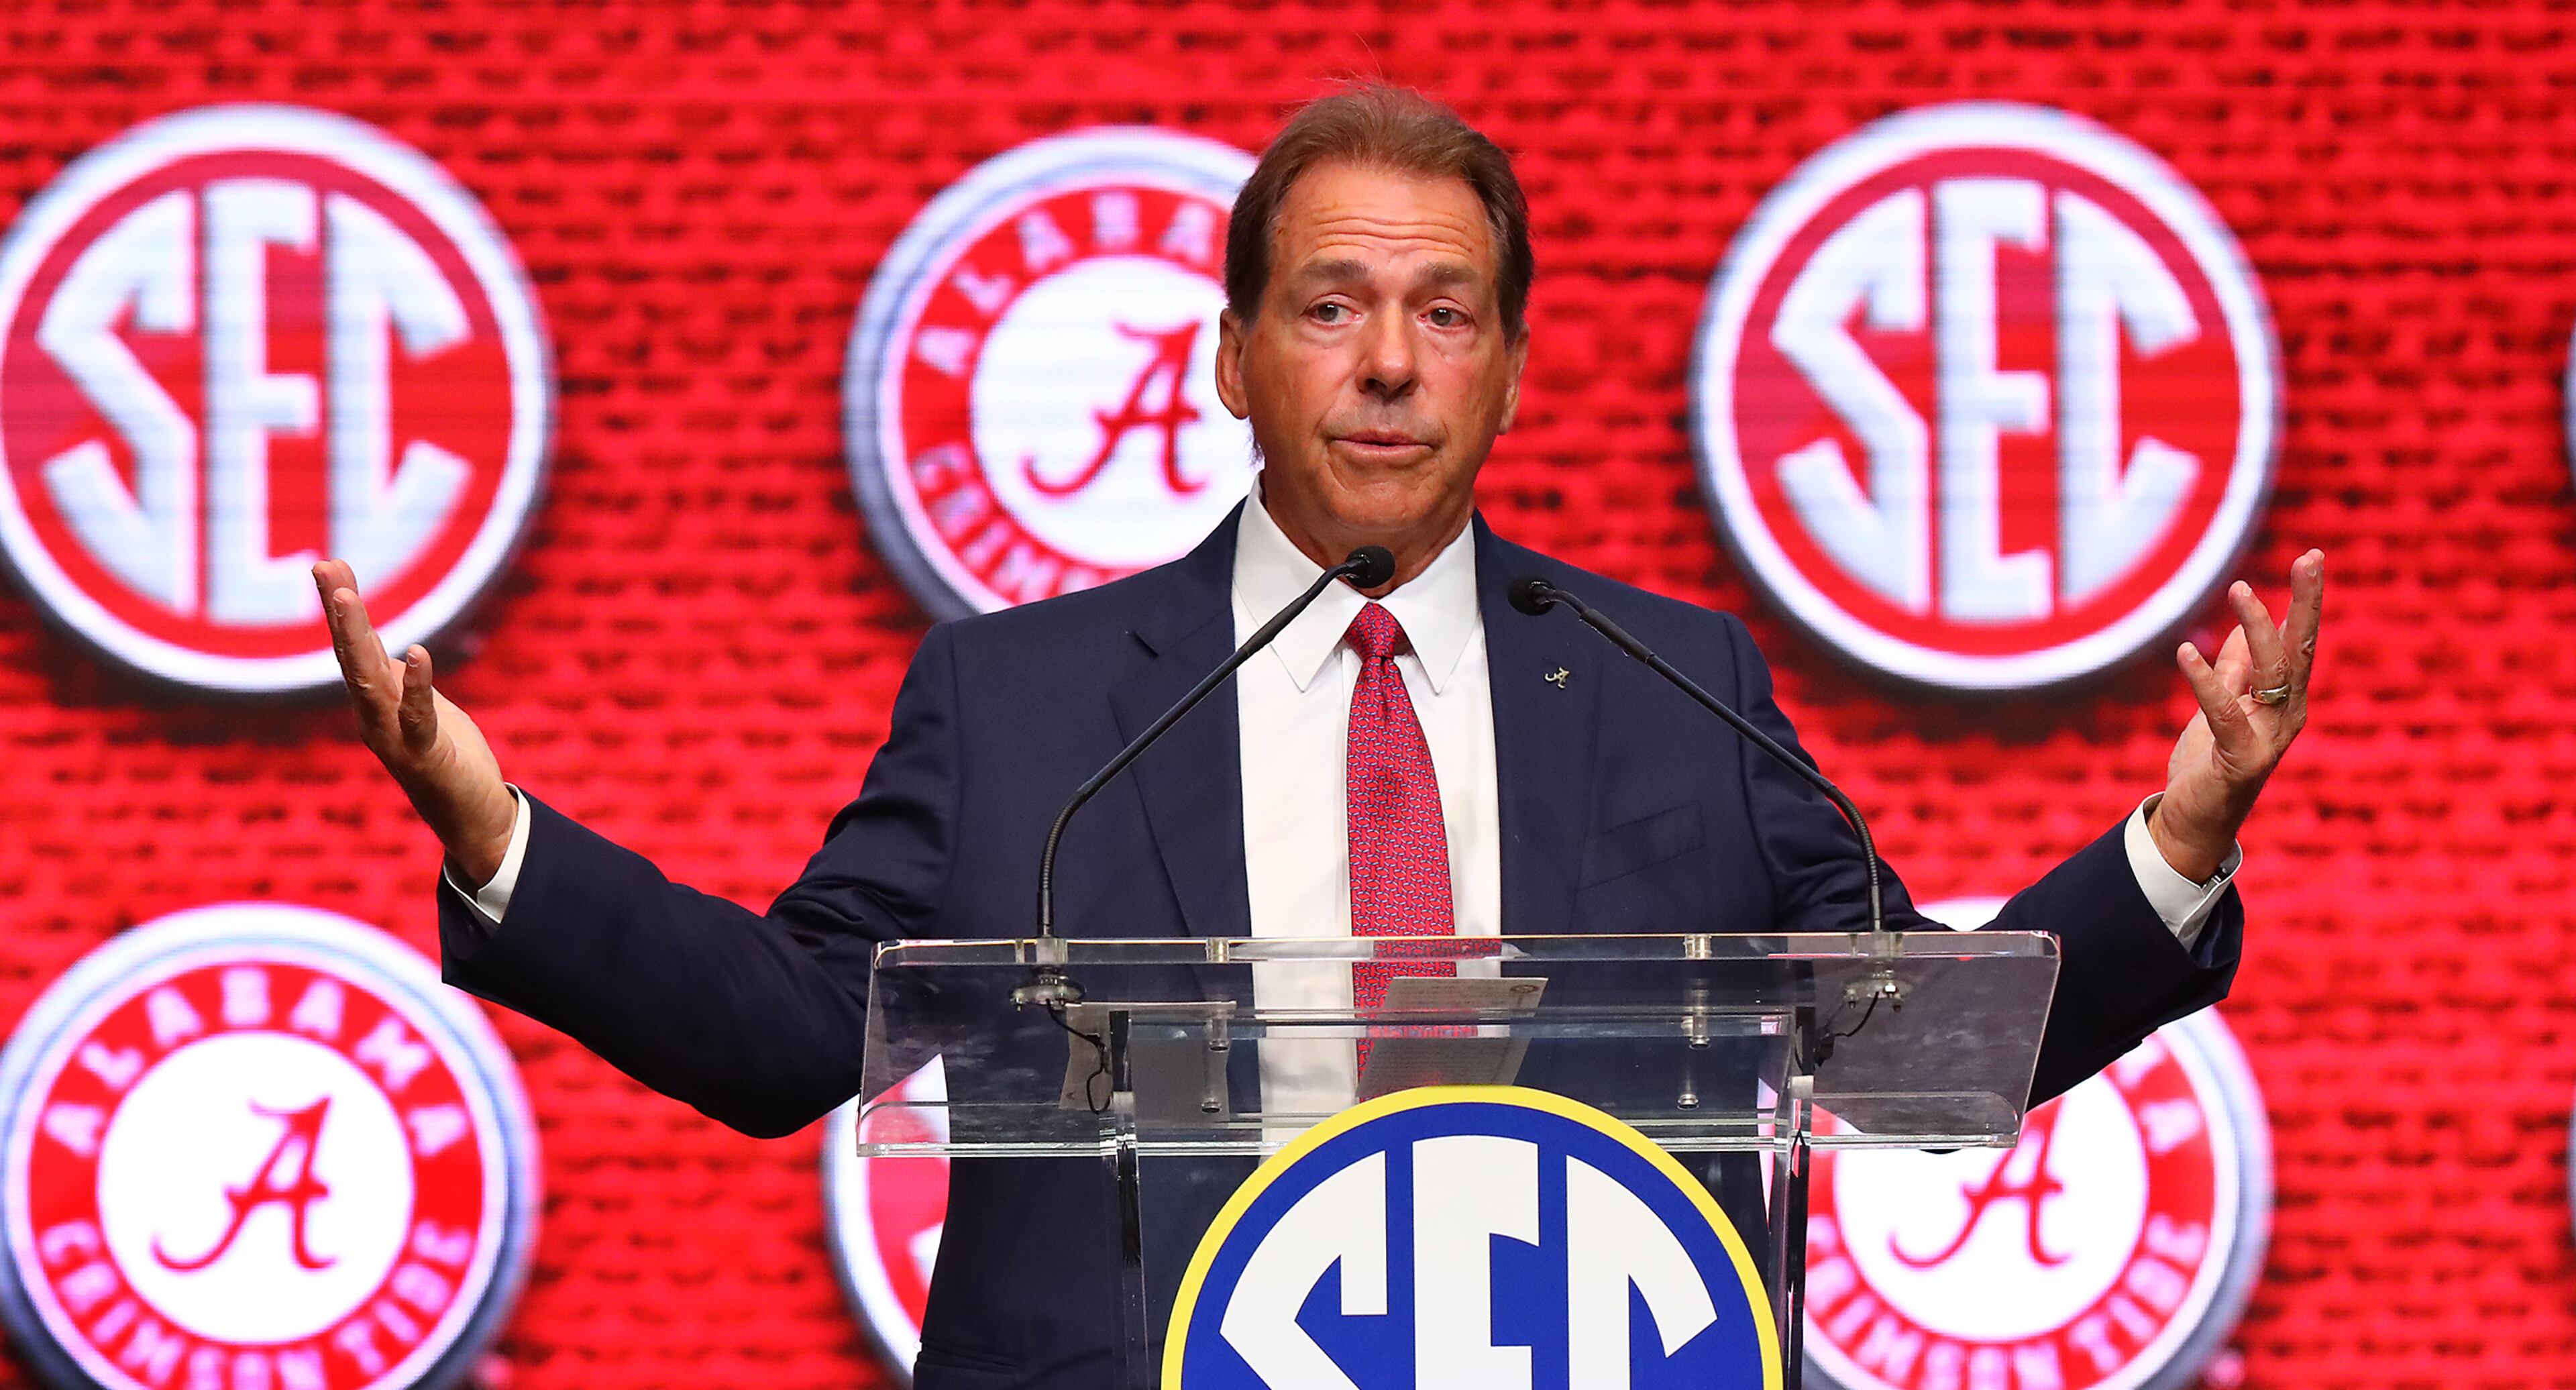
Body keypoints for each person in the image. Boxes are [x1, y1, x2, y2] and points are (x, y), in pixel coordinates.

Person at [317, 85, 2324, 1388]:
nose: (1387, 363)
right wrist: (495, 826)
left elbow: (1908, 1060)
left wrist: (2177, 841)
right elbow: (777, 1038)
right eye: (1333, 306)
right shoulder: (1024, 705)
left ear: (1515, 372)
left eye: (1446, 314)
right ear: (1229, 357)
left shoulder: (1681, 685)